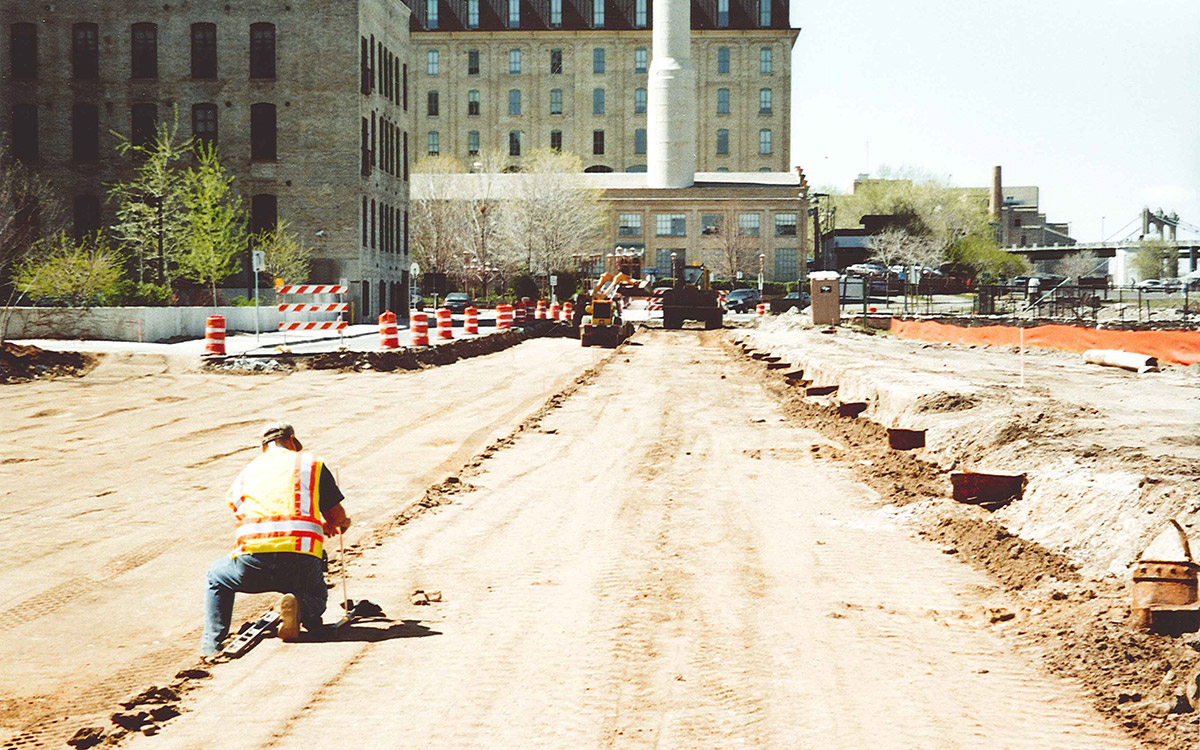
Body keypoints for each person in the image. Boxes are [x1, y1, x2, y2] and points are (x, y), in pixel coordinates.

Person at [201, 421, 351, 657]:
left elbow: (248, 514)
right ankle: (302, 608)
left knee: (217, 577)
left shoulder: (245, 474)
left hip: (252, 563)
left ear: (264, 448)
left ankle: (211, 646)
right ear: (292, 440)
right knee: (316, 595)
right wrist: (338, 523)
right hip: (298, 563)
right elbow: (335, 515)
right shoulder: (310, 464)